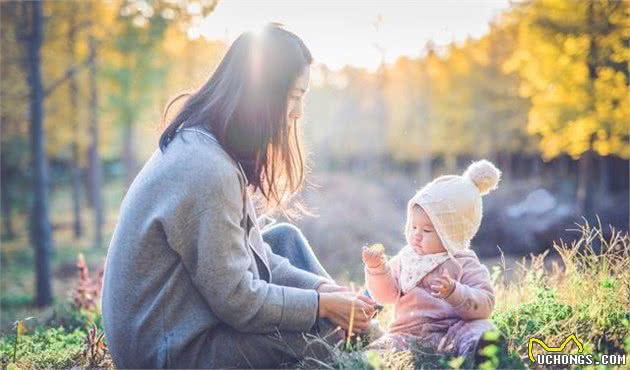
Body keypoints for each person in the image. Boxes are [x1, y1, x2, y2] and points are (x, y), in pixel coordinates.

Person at [101, 24, 376, 369]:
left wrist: (324, 291)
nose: (298, 113)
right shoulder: (207, 170)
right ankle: (366, 342)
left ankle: (359, 327)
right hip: (169, 353)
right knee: (328, 336)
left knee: (283, 239)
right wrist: (320, 308)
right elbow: (238, 301)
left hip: (182, 321)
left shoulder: (207, 146)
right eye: (293, 96)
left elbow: (254, 254)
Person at [362, 160, 501, 356]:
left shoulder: (463, 262)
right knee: (381, 350)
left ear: (451, 233)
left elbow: (485, 304)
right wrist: (377, 270)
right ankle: (364, 359)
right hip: (408, 333)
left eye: (427, 230)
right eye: (413, 227)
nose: (416, 235)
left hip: (455, 329)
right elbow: (386, 296)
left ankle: (480, 351)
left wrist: (455, 292)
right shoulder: (405, 259)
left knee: (481, 330)